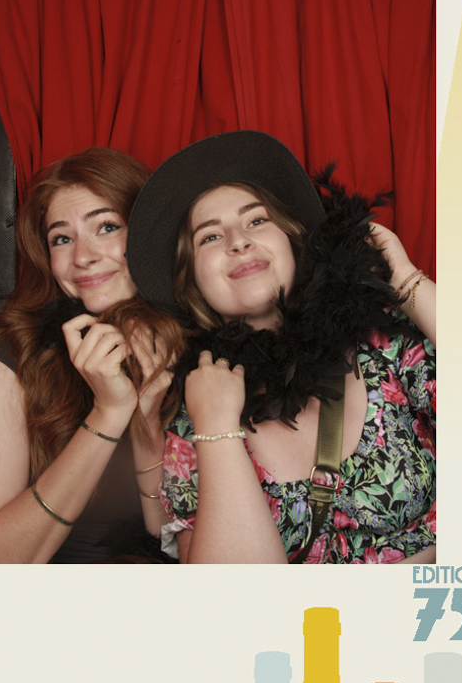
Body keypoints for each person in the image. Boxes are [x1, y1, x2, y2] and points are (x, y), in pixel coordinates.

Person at [125, 131, 436, 564]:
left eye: (256, 220)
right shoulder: (194, 416)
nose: (238, 241)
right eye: (209, 237)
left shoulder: (384, 344)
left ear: (292, 240)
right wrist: (216, 424)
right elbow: (233, 596)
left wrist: (405, 281)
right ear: (192, 281)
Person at [0, 148, 186, 563]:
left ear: (149, 228)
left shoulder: (207, 338)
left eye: (107, 227)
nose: (82, 256)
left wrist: (148, 425)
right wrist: (108, 414)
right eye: (62, 238)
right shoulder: (13, 356)